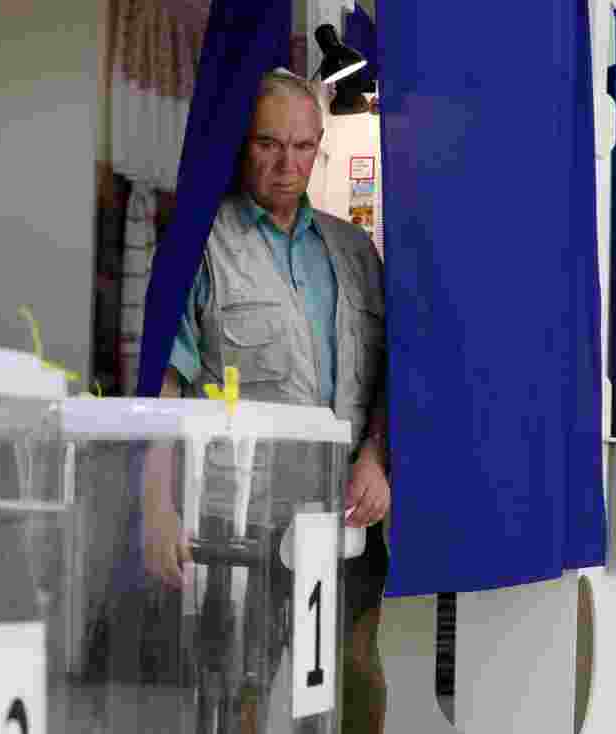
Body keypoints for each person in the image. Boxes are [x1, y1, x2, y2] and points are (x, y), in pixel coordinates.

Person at [143, 68, 390, 734]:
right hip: (238, 513)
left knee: (356, 681)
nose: (288, 165)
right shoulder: (200, 245)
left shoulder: (354, 252)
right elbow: (167, 381)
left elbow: (389, 378)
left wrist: (376, 458)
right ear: (241, 144)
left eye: (304, 147)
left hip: (342, 512)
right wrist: (157, 505)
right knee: (236, 695)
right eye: (268, 145)